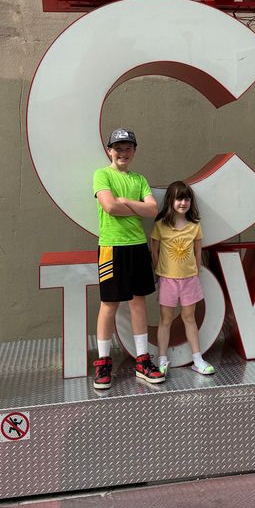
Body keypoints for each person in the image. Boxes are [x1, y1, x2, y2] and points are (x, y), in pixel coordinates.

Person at [92, 128, 164, 389]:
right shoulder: (102, 174)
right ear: (109, 150)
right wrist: (134, 205)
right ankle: (103, 363)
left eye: (128, 148)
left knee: (138, 303)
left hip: (137, 246)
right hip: (112, 247)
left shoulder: (140, 179)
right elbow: (109, 206)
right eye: (118, 148)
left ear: (134, 150)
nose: (123, 152)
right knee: (109, 303)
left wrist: (125, 201)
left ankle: (143, 360)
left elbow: (153, 209)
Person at [150, 181, 215, 376]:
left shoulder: (195, 226)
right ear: (170, 200)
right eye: (179, 198)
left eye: (187, 198)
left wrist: (194, 271)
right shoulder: (160, 225)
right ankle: (162, 359)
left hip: (189, 280)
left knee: (189, 318)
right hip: (167, 280)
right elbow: (154, 250)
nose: (183, 202)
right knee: (166, 319)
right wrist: (158, 271)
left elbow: (198, 251)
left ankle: (197, 359)